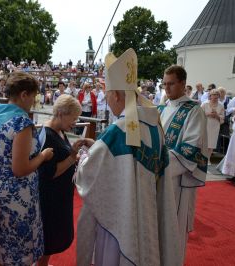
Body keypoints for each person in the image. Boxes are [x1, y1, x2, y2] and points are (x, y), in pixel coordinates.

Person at [76, 49, 181, 266]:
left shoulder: (118, 130)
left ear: (115, 95)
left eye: (108, 95)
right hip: (148, 218)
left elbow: (88, 176)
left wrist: (84, 155)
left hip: (120, 224)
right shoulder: (155, 127)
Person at [0, 72, 54, 266]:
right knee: (20, 246)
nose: (34, 101)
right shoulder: (22, 123)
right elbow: (21, 169)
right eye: (33, 96)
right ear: (24, 95)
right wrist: (43, 155)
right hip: (17, 193)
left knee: (3, 241)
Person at [158, 65, 208, 263]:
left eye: (171, 84)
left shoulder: (194, 111)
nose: (167, 88)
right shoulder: (160, 108)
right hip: (157, 176)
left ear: (182, 84)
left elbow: (190, 149)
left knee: (173, 228)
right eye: (164, 84)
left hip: (177, 180)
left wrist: (158, 164)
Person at [37, 95, 84, 266]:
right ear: (62, 113)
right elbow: (50, 172)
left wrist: (73, 155)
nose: (75, 122)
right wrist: (72, 156)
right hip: (50, 196)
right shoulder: (48, 135)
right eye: (73, 118)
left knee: (52, 236)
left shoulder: (59, 130)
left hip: (60, 194)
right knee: (48, 237)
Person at [201, 89, 224, 164]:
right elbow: (199, 114)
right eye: (213, 96)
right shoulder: (205, 104)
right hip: (205, 124)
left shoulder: (221, 105)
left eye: (216, 97)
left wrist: (216, 115)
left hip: (214, 126)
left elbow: (223, 117)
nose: (215, 98)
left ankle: (208, 159)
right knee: (203, 142)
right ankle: (201, 158)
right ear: (210, 96)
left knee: (211, 143)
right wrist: (208, 114)